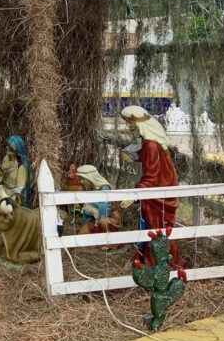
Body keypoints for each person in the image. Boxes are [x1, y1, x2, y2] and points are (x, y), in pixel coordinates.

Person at [121, 105, 182, 268]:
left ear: (138, 124)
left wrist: (135, 195)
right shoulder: (153, 143)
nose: (129, 127)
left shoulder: (150, 145)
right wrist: (136, 157)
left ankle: (158, 263)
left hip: (158, 195)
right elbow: (153, 160)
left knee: (157, 228)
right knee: (156, 228)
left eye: (130, 123)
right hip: (163, 190)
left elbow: (151, 176)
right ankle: (153, 260)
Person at [71, 164, 122, 236]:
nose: (81, 181)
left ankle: (106, 241)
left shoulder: (104, 187)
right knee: (82, 235)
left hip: (107, 219)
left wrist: (91, 206)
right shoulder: (92, 187)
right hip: (94, 219)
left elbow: (105, 210)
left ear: (90, 177)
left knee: (102, 223)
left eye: (82, 179)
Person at [0, 135, 33, 207]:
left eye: (10, 148)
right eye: (7, 146)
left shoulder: (22, 166)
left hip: (13, 196)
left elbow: (20, 186)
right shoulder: (6, 159)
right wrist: (1, 168)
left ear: (16, 150)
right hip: (3, 192)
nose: (7, 148)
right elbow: (0, 177)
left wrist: (13, 199)